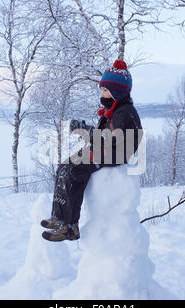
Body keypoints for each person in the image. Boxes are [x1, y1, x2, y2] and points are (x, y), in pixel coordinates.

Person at [41, 59, 143, 242]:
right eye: (102, 90)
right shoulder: (115, 109)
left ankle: (70, 226)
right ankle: (58, 217)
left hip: (116, 153)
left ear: (117, 92)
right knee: (65, 165)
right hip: (108, 149)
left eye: (106, 90)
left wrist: (83, 129)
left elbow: (108, 138)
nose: (102, 94)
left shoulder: (124, 112)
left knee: (73, 169)